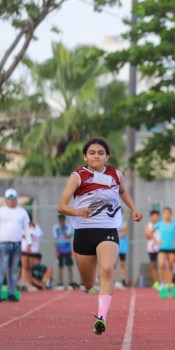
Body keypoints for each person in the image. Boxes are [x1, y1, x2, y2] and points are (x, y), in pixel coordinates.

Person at [57, 138, 143, 335]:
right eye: (92, 152)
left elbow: (122, 190)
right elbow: (61, 206)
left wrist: (134, 208)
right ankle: (97, 281)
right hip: (84, 232)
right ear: (85, 156)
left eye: (101, 153)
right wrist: (79, 212)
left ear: (107, 156)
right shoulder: (78, 176)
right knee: (88, 284)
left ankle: (101, 317)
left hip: (107, 229)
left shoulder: (115, 174)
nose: (96, 156)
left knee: (107, 269)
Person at [0, 188, 30, 303]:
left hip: (17, 244)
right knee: (2, 269)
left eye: (14, 198)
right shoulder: (0, 211)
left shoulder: (22, 212)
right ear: (6, 199)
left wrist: (29, 243)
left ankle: (11, 293)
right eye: (9, 198)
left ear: (16, 199)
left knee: (13, 270)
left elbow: (26, 228)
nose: (12, 201)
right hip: (4, 243)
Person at [155, 207, 175, 290]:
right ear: (163, 214)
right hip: (162, 247)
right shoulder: (159, 224)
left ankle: (169, 284)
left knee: (171, 266)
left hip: (172, 248)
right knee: (161, 265)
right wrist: (156, 241)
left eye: (168, 213)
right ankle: (162, 283)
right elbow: (150, 233)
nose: (167, 215)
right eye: (165, 213)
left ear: (171, 214)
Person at [53, 214, 75, 289]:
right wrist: (56, 251)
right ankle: (60, 282)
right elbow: (55, 240)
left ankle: (71, 282)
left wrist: (62, 229)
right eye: (60, 220)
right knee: (60, 266)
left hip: (67, 249)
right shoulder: (55, 227)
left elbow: (68, 236)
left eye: (62, 220)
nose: (61, 222)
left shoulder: (68, 226)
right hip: (60, 250)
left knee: (69, 266)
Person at [21, 217, 43, 290]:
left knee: (30, 267)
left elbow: (39, 235)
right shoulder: (22, 226)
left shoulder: (35, 226)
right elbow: (21, 234)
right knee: (24, 266)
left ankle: (29, 283)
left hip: (33, 250)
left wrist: (31, 235)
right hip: (24, 249)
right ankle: (24, 283)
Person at [144, 210, 161, 287]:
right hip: (151, 248)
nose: (156, 217)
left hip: (160, 247)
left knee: (161, 264)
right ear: (151, 217)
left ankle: (163, 281)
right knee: (153, 265)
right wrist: (152, 232)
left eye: (157, 216)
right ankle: (156, 282)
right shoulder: (148, 225)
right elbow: (147, 236)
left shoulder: (161, 225)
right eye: (154, 216)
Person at [117, 219, 129, 287]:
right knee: (113, 265)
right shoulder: (113, 221)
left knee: (122, 264)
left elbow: (124, 232)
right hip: (114, 246)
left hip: (122, 246)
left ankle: (123, 280)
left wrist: (116, 236)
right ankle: (111, 280)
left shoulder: (124, 222)